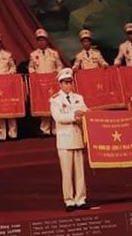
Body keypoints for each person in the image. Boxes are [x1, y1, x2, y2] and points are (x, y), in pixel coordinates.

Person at [50, 68, 89, 212]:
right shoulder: (55, 99)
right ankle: (69, 200)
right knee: (67, 172)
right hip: (65, 140)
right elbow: (58, 117)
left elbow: (86, 111)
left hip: (78, 137)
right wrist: (75, 115)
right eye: (65, 83)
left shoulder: (79, 98)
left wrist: (83, 114)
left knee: (80, 171)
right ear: (60, 84)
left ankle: (81, 199)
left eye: (69, 82)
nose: (68, 85)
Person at [28, 28, 64, 136]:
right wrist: (33, 73)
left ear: (47, 41)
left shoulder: (54, 53)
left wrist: (57, 72)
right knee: (43, 106)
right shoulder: (33, 55)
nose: (41, 42)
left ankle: (55, 129)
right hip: (40, 84)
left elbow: (60, 65)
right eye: (39, 40)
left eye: (43, 40)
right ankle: (45, 130)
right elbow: (30, 67)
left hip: (52, 83)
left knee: (55, 105)